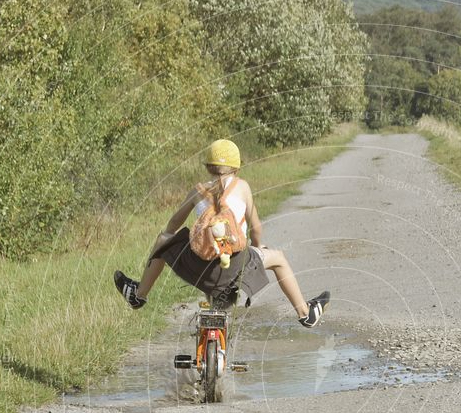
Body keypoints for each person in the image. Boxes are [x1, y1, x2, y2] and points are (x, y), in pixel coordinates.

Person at [114, 138, 329, 327]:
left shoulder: (197, 191)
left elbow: (172, 226)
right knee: (279, 259)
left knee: (163, 240)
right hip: (236, 266)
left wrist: (169, 242)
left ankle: (139, 295)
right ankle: (305, 313)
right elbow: (256, 227)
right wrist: (257, 245)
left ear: (208, 166)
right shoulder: (242, 187)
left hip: (198, 266)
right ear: (237, 167)